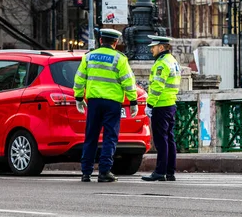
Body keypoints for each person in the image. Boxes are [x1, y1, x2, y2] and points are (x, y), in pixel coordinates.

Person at [73, 28, 138, 183]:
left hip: (94, 102)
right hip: (112, 103)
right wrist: (133, 101)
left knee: (91, 136)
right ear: (115, 43)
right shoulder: (119, 59)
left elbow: (79, 79)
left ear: (101, 40)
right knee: (109, 137)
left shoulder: (88, 57)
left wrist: (78, 97)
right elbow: (128, 81)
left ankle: (86, 172)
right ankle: (104, 171)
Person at [142, 35, 181, 182]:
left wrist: (150, 104)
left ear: (161, 47)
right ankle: (170, 171)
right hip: (170, 104)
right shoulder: (172, 61)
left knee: (161, 140)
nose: (151, 49)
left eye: (154, 46)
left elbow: (157, 87)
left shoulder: (161, 64)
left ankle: (160, 171)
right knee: (170, 139)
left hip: (160, 105)